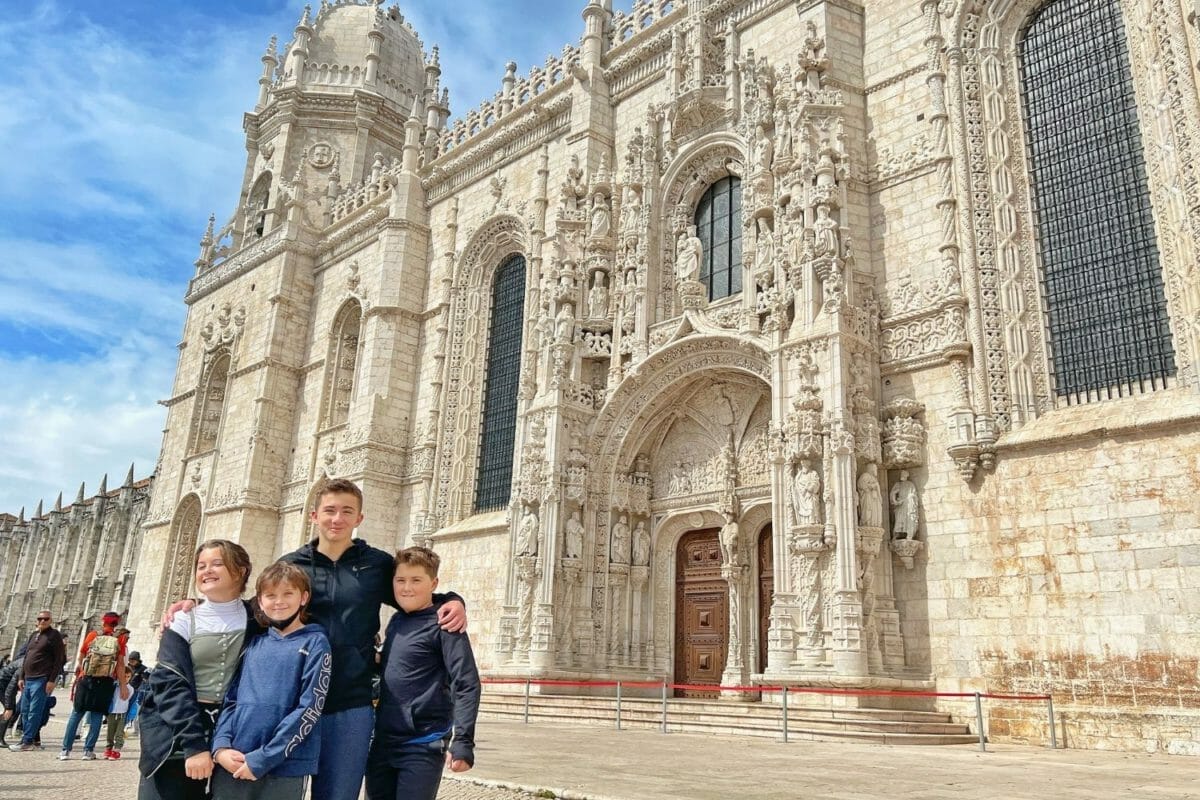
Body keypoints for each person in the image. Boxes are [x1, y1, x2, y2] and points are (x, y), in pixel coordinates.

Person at [279, 479, 467, 800]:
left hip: (351, 703)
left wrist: (452, 598)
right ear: (314, 516)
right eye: (330, 511)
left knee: (339, 795)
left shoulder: (376, 565)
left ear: (358, 519)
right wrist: (197, 607)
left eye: (346, 511)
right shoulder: (291, 566)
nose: (337, 518)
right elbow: (261, 612)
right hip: (293, 700)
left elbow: (414, 595)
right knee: (279, 792)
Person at [139, 540, 264, 800]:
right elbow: (169, 683)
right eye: (201, 566)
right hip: (177, 732)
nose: (206, 571)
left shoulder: (258, 619)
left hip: (232, 733)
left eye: (217, 563)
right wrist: (194, 745)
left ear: (241, 571)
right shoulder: (183, 619)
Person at [365, 547, 480, 800]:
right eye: (401, 580)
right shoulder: (396, 621)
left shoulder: (445, 624)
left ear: (434, 583)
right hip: (383, 742)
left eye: (416, 580)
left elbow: (466, 682)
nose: (407, 588)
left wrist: (463, 741)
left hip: (422, 744)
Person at [211, 561, 332, 800]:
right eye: (271, 595)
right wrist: (221, 747)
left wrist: (264, 758)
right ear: (260, 600)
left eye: (288, 593)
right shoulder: (254, 644)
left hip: (284, 764)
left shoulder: (315, 643)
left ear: (304, 597)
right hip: (234, 759)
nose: (279, 601)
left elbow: (310, 707)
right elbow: (232, 699)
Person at [60, 610, 130, 760]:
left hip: (87, 680)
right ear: (116, 624)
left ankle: (65, 750)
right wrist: (123, 686)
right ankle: (88, 751)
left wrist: (81, 673)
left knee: (76, 714)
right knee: (97, 716)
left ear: (103, 621)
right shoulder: (120, 640)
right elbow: (120, 666)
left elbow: (81, 657)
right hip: (105, 682)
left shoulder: (93, 635)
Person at [9, 609, 66, 752]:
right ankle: (32, 740)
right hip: (28, 679)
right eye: (40, 618)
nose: (42, 621)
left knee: (34, 711)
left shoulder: (54, 636)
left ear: (50, 620)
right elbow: (27, 656)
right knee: (25, 710)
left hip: (42, 679)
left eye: (46, 619)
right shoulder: (34, 635)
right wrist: (21, 677)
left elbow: (59, 659)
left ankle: (27, 741)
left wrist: (52, 680)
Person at [104, 665, 134, 760]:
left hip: (122, 713)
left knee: (119, 732)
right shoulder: (115, 685)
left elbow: (128, 700)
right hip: (112, 712)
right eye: (124, 676)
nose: (126, 678)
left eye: (128, 677)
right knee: (110, 732)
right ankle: (109, 747)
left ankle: (116, 749)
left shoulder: (130, 689)